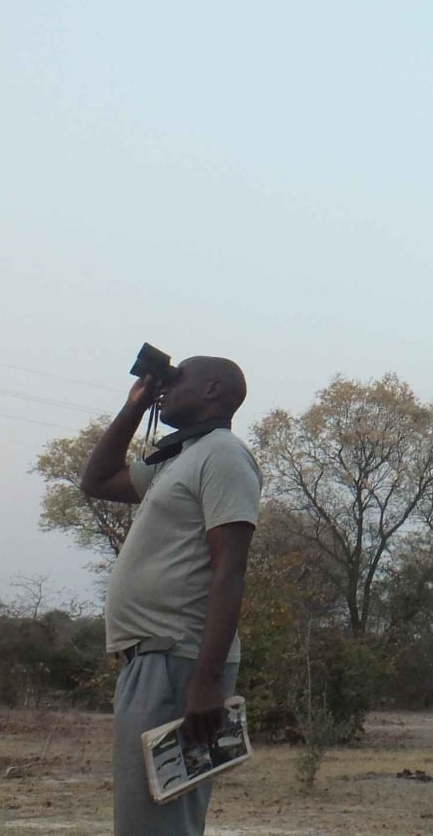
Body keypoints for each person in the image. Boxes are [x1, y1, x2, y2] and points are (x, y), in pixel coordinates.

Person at [81, 355, 262, 836]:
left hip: (178, 661)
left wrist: (205, 684)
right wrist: (134, 407)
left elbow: (230, 568)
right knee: (146, 821)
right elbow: (96, 482)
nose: (164, 386)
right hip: (152, 661)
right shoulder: (179, 458)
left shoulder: (223, 454)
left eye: (176, 378)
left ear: (212, 390)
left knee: (159, 825)